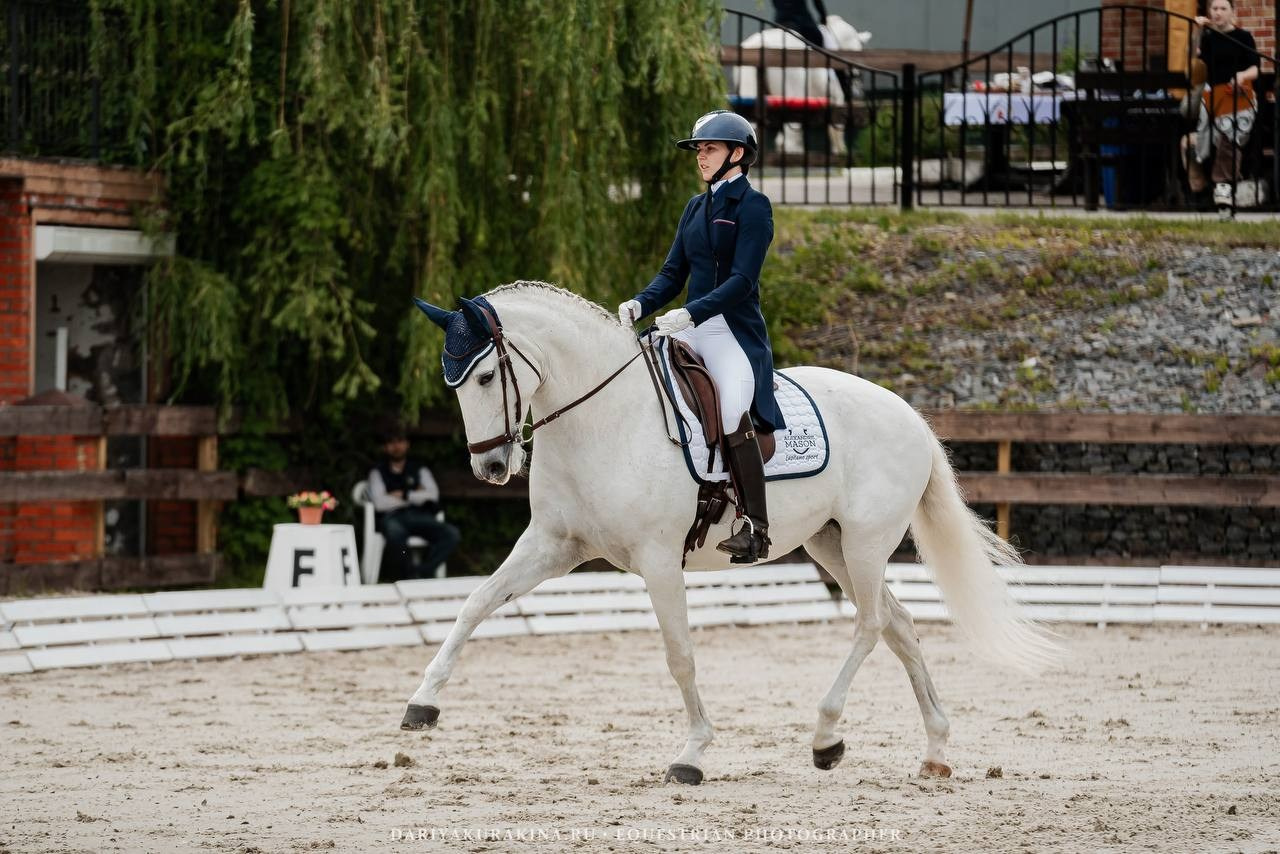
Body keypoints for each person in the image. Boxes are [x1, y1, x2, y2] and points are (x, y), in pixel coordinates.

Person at [617, 110, 784, 563]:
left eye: (709, 148)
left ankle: (755, 527)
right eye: (699, 149)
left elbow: (742, 282)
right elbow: (673, 273)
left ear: (737, 153)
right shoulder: (695, 207)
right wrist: (640, 304)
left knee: (731, 411)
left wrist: (690, 313)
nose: (701, 156)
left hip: (730, 331)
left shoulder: (753, 207)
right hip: (687, 327)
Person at [1191, 0, 1260, 217]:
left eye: (1223, 8)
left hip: (1239, 93)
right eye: (1214, 8)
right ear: (1209, 12)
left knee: (1231, 130)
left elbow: (1255, 68)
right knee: (1206, 135)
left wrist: (1242, 76)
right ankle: (1216, 189)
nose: (1218, 12)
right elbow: (1193, 55)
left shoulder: (1243, 37)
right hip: (1214, 96)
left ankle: (1223, 185)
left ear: (1232, 13)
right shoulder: (1209, 38)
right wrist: (1197, 30)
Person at [367, 421, 460, 581]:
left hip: (420, 516)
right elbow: (380, 503)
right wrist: (417, 495)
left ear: (407, 444)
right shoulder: (377, 473)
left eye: (400, 441)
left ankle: (422, 572)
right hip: (393, 518)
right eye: (391, 442)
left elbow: (432, 495)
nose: (396, 446)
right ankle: (405, 578)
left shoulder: (420, 469)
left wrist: (403, 495)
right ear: (385, 447)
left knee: (451, 534)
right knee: (395, 535)